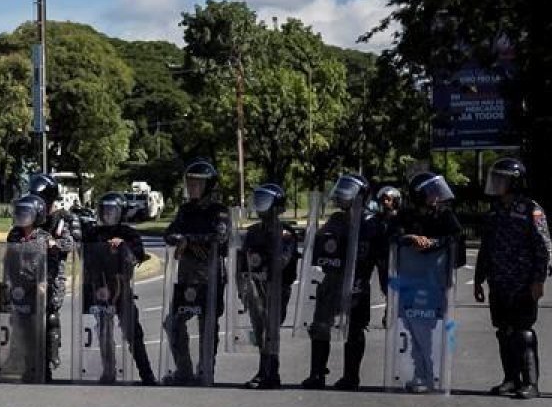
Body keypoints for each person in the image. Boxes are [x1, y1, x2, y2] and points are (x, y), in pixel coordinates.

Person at [475, 158, 552, 399]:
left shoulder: (532, 209)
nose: (496, 184)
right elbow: (486, 247)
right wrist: (479, 278)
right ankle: (510, 379)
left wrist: (538, 280)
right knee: (504, 331)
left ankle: (531, 383)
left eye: (502, 179)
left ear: (515, 182)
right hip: (499, 282)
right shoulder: (495, 211)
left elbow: (544, 247)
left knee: (523, 332)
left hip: (523, 282)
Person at [301, 174, 386, 391]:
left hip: (358, 282)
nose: (341, 195)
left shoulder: (372, 223)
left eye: (347, 190)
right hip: (331, 280)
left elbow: (382, 260)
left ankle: (351, 376)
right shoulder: (337, 219)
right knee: (320, 325)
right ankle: (317, 373)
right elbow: (320, 244)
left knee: (355, 329)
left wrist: (388, 291)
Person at [162, 159, 231, 386]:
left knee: (207, 324)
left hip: (210, 277)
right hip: (185, 277)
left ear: (208, 186)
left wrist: (188, 239)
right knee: (173, 322)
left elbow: (220, 238)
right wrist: (181, 239)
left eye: (197, 184)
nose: (192, 187)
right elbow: (169, 234)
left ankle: (205, 370)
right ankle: (184, 370)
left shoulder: (219, 212)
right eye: (189, 183)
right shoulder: (185, 210)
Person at [393, 172, 462, 393]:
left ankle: (430, 373)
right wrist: (410, 238)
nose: (435, 197)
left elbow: (456, 239)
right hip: (410, 279)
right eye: (430, 192)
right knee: (413, 327)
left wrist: (434, 243)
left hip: (435, 280)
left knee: (429, 328)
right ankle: (419, 373)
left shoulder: (444, 215)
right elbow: (392, 236)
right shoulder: (405, 215)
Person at [79, 192, 157, 385]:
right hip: (100, 287)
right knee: (103, 331)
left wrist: (124, 246)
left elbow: (139, 254)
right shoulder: (93, 233)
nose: (108, 215)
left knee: (133, 331)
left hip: (121, 287)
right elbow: (84, 254)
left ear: (121, 212)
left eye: (112, 211)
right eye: (105, 211)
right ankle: (108, 371)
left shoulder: (129, 233)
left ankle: (146, 374)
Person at [240, 184, 298, 390]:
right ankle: (264, 370)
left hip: (277, 288)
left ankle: (271, 372)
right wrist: (243, 283)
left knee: (270, 329)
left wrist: (265, 256)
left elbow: (282, 260)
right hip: (255, 285)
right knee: (259, 329)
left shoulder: (285, 233)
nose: (259, 206)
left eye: (264, 201)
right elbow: (243, 259)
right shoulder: (253, 232)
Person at [26, 173, 80, 379]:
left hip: (53, 274)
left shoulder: (65, 217)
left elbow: (73, 242)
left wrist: (54, 244)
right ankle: (28, 360)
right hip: (29, 274)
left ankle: (50, 359)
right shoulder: (30, 217)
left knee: (49, 314)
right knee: (27, 317)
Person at [2, 194, 54, 382]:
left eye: (26, 212)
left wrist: (43, 282)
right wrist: (7, 282)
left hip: (35, 289)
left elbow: (49, 263)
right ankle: (25, 366)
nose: (22, 216)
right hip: (18, 288)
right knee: (20, 329)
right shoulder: (14, 235)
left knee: (36, 330)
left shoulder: (44, 238)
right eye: (20, 212)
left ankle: (40, 369)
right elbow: (7, 260)